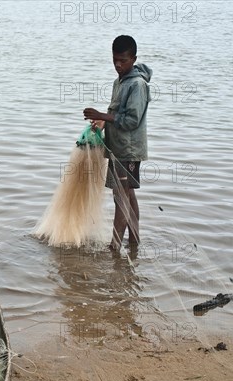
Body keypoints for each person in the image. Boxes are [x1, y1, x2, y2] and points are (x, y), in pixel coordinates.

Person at [83, 35, 152, 251]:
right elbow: (116, 112)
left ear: (134, 58)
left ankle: (114, 246)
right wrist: (102, 123)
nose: (118, 65)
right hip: (117, 148)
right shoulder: (119, 81)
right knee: (127, 194)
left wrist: (103, 115)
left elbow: (132, 120)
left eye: (123, 60)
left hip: (128, 151)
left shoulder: (137, 85)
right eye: (115, 60)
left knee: (120, 197)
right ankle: (134, 240)